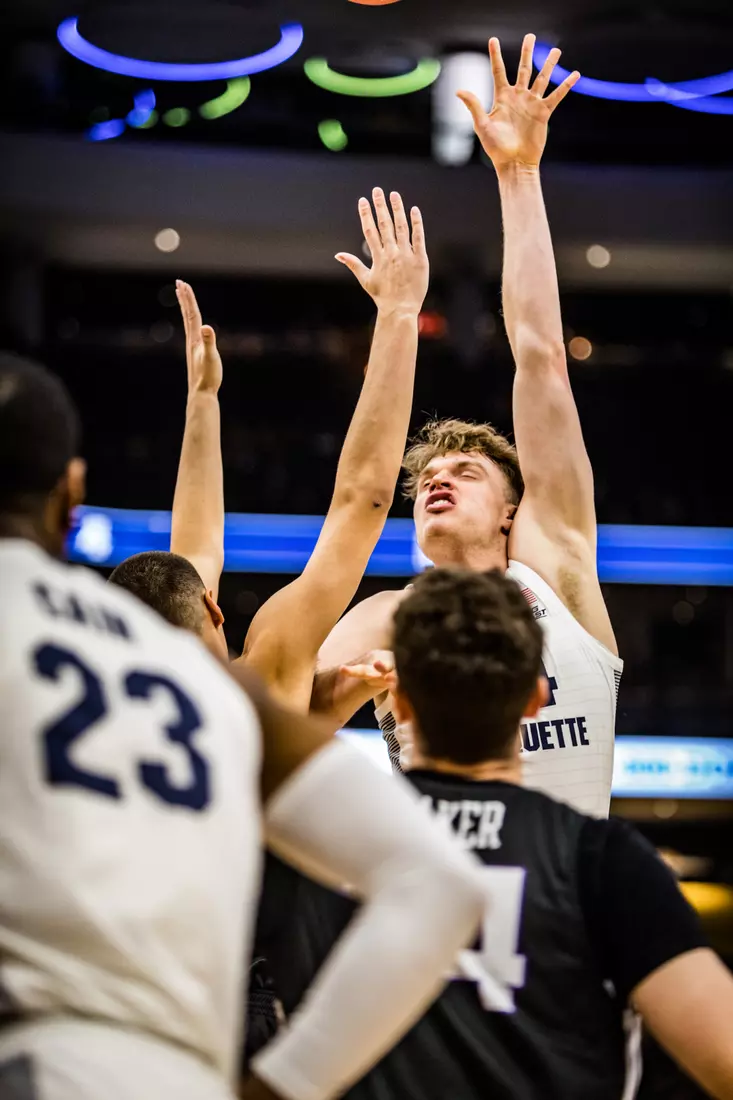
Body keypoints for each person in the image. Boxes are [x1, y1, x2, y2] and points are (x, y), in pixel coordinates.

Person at [0, 352, 485, 1100]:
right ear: (72, 493)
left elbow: (194, 557)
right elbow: (438, 884)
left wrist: (203, 407)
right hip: (191, 1041)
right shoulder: (226, 692)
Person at [256, 567, 733, 1100]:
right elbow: (723, 1058)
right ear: (534, 699)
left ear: (401, 701)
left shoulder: (323, 846)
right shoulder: (600, 858)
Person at [316, 36, 622, 818]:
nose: (437, 480)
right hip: (437, 920)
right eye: (426, 479)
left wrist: (518, 176)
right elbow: (280, 727)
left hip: (566, 917)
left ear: (515, 513)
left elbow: (540, 358)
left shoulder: (556, 576)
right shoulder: (387, 617)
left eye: (467, 472)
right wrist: (351, 686)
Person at [111, 187, 429, 718]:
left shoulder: (123, 708)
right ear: (214, 609)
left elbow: (196, 548)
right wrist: (399, 313)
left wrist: (204, 400)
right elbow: (362, 499)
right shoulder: (261, 674)